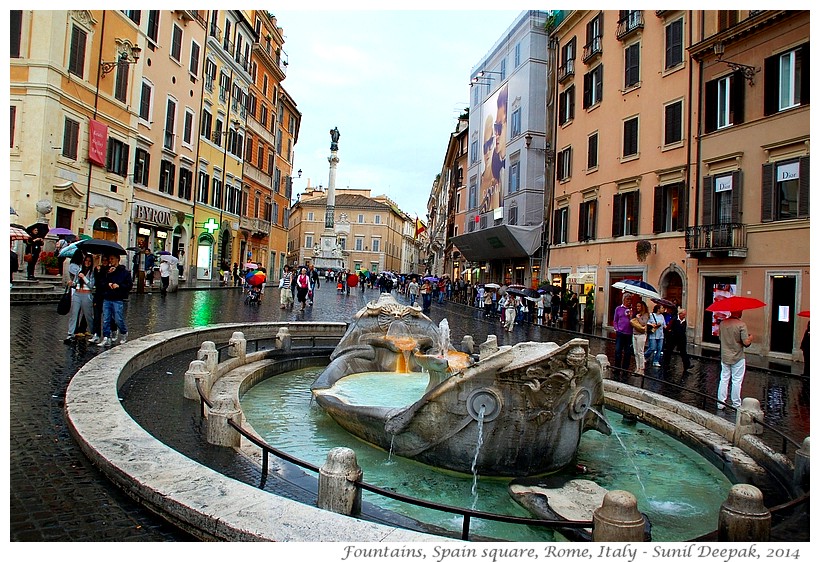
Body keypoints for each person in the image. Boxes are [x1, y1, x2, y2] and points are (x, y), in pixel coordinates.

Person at [717, 311, 753, 410]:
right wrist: (750, 338)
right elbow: (746, 343)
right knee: (736, 381)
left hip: (725, 355)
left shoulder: (722, 323)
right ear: (739, 313)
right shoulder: (741, 325)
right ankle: (736, 404)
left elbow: (720, 338)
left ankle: (721, 402)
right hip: (737, 356)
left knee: (724, 379)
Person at [97, 253, 132, 347]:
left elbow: (129, 285)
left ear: (117, 259)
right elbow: (102, 282)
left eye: (112, 259)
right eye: (110, 259)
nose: (110, 261)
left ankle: (124, 332)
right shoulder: (108, 271)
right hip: (107, 297)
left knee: (118, 318)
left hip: (117, 298)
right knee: (106, 319)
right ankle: (106, 337)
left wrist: (119, 286)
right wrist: (108, 281)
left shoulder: (124, 272)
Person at [64, 253, 95, 344]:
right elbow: (76, 282)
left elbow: (91, 285)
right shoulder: (79, 271)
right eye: (86, 260)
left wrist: (84, 278)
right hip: (77, 294)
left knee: (88, 315)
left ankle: (94, 332)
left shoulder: (92, 273)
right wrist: (71, 283)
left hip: (86, 295)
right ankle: (70, 334)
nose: (87, 263)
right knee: (74, 314)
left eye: (89, 261)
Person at [88, 255, 109, 343]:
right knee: (96, 315)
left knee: (106, 316)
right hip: (98, 294)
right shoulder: (97, 269)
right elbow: (96, 281)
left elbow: (106, 281)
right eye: (103, 260)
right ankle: (96, 334)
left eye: (106, 260)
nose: (104, 262)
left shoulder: (110, 270)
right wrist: (97, 271)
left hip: (107, 295)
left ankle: (107, 335)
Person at [613, 293, 634, 373]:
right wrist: (616, 328)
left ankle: (625, 369)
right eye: (627, 299)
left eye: (630, 299)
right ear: (624, 300)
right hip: (620, 333)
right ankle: (617, 369)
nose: (629, 301)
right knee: (618, 351)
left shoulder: (632, 310)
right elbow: (615, 320)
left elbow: (634, 322)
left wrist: (631, 316)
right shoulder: (618, 309)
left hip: (629, 334)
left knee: (627, 352)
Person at [630, 300, 649, 375]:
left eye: (639, 306)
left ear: (642, 307)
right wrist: (632, 316)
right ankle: (637, 368)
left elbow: (643, 323)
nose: (637, 308)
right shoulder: (637, 314)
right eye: (637, 306)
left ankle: (641, 369)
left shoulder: (646, 315)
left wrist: (638, 318)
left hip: (641, 335)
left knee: (640, 352)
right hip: (634, 334)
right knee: (635, 352)